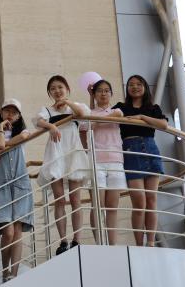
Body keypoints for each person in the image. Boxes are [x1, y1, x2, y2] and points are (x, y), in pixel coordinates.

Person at [34, 75, 90, 255]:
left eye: (60, 87)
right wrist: (51, 126)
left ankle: (77, 239)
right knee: (59, 199)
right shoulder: (47, 110)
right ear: (49, 92)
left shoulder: (75, 106)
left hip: (73, 153)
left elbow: (83, 115)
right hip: (56, 153)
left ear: (67, 89)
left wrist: (67, 102)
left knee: (75, 199)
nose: (57, 91)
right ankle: (63, 240)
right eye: (53, 88)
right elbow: (38, 121)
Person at [113, 75, 168, 247]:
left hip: (150, 149)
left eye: (138, 84)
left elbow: (163, 124)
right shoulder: (122, 107)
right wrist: (93, 97)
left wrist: (142, 117)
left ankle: (150, 243)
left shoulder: (152, 108)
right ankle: (139, 244)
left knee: (151, 199)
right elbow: (103, 113)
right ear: (127, 88)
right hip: (130, 151)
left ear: (145, 87)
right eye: (131, 84)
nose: (135, 87)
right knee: (139, 201)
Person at [0, 99, 33, 282]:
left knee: (18, 231)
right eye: (7, 111)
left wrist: (1, 148)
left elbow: (20, 138)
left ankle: (13, 273)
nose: (10, 115)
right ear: (1, 112)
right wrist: (0, 129)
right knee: (8, 232)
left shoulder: (23, 130)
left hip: (20, 183)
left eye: (14, 112)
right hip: (1, 185)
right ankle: (5, 270)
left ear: (19, 116)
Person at [80, 79, 126, 245]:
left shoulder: (117, 110)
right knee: (97, 205)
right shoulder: (88, 113)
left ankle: (112, 245)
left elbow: (117, 116)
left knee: (112, 206)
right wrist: (88, 151)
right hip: (96, 161)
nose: (104, 93)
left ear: (111, 93)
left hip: (116, 161)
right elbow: (83, 131)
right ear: (94, 94)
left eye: (107, 90)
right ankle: (100, 243)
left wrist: (96, 122)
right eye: (99, 90)